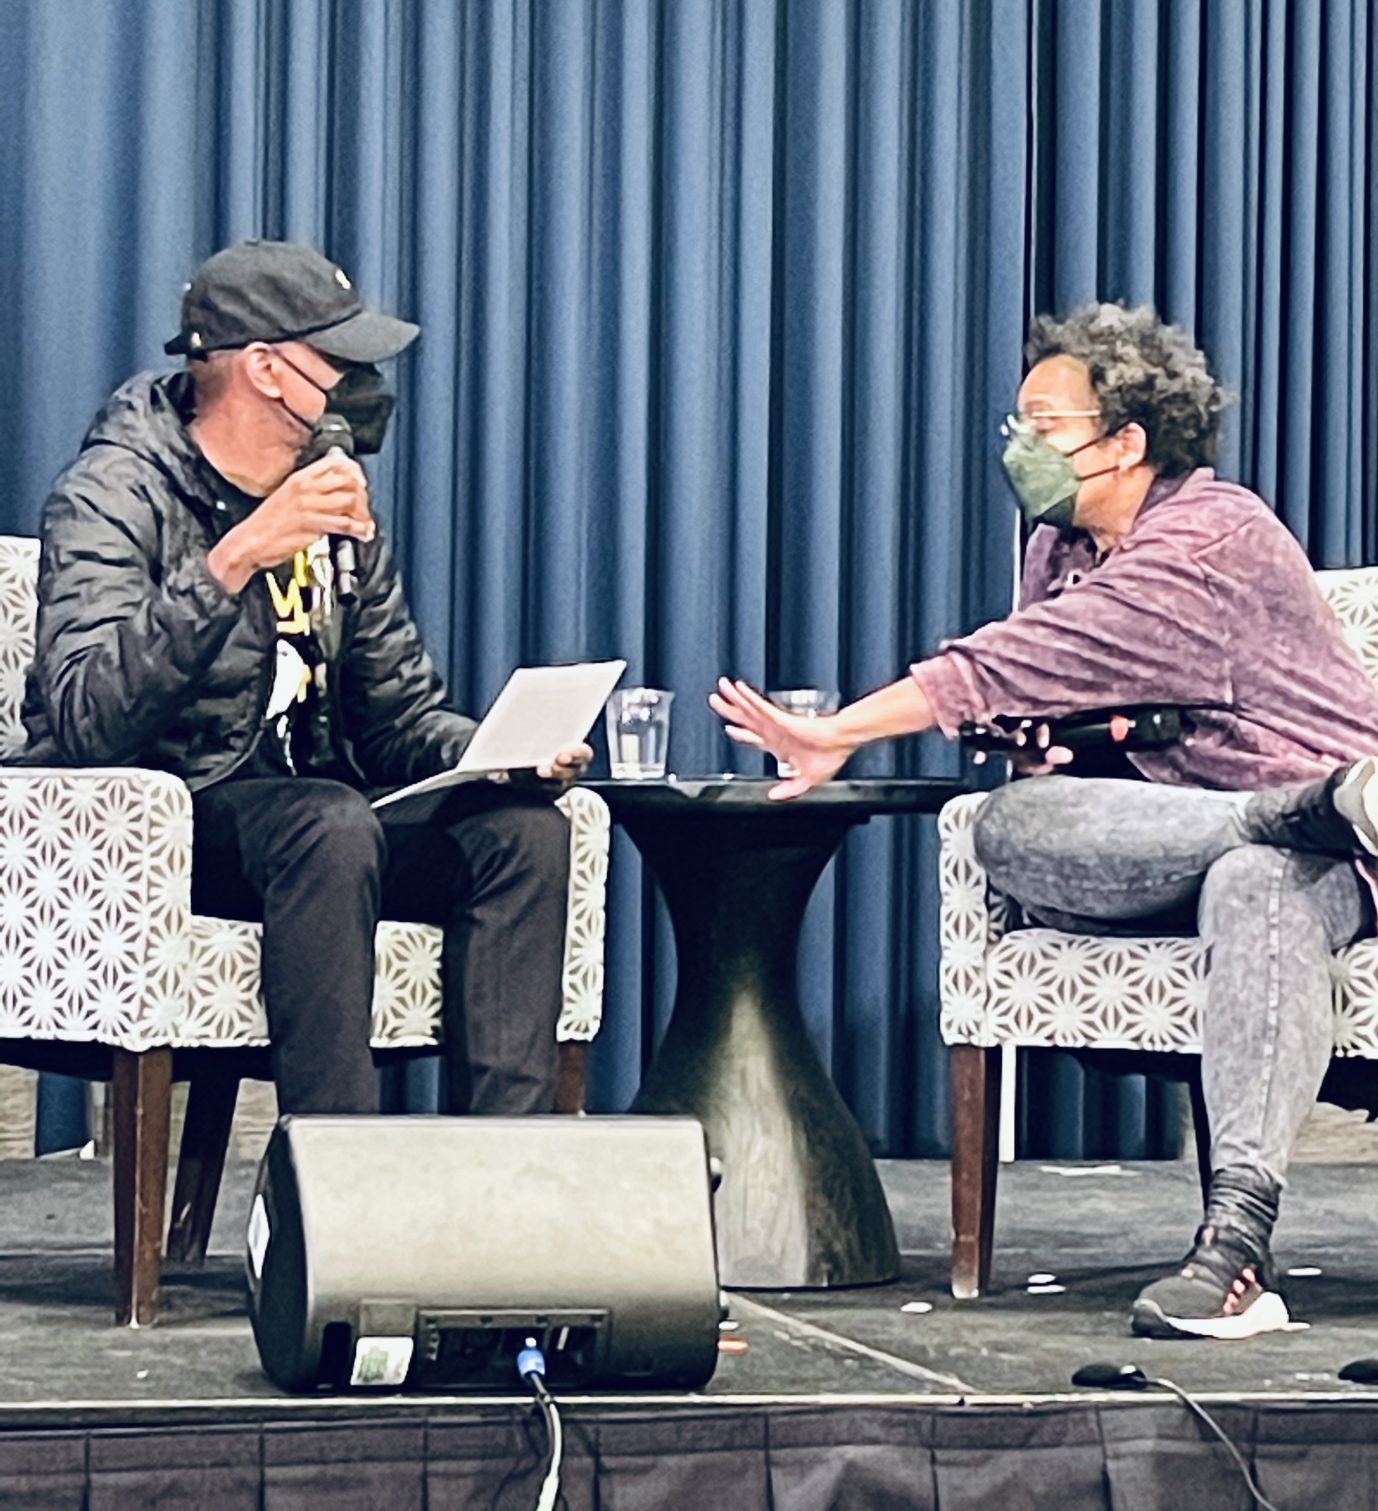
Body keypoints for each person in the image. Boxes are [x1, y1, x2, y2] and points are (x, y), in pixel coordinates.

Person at [711, 301, 1378, 1341]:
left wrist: (842, 729)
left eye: (1045, 426)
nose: (1019, 445)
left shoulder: (1214, 535)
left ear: (1127, 443)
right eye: (1015, 423)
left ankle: (1234, 1251)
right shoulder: (1058, 546)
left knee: (1254, 879)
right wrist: (1052, 744)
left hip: (1333, 867)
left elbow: (1025, 659)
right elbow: (1059, 691)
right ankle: (1300, 814)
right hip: (1189, 833)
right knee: (1012, 826)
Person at [23, 239, 591, 1119]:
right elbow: (85, 716)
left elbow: (396, 717)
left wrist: (496, 755)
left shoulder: (330, 496)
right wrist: (233, 561)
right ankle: (331, 1169)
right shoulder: (112, 491)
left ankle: (504, 1169)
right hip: (166, 823)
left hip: (319, 830)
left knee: (519, 833)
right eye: (339, 359)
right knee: (327, 822)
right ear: (264, 369)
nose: (360, 383)